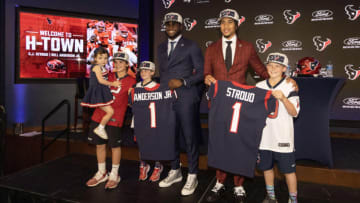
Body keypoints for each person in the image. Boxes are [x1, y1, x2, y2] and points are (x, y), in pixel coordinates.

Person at [204, 9, 269, 203]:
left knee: (238, 143)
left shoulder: (247, 48)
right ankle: (220, 180)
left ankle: (239, 184)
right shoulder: (211, 48)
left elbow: (262, 71)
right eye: (222, 22)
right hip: (217, 103)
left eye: (229, 22)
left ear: (236, 24)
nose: (225, 26)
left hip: (239, 104)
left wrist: (282, 81)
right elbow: (206, 73)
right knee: (220, 142)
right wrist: (207, 78)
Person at [157, 12, 204, 196]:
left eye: (174, 24)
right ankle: (175, 170)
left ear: (181, 26)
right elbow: (162, 74)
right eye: (167, 24)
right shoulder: (161, 47)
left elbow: (201, 72)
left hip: (186, 96)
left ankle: (192, 174)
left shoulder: (191, 46)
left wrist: (183, 81)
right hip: (166, 97)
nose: (170, 27)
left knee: (190, 137)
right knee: (170, 136)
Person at [86, 51, 136, 189]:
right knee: (99, 145)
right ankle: (102, 173)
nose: (118, 64)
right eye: (116, 61)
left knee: (115, 146)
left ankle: (114, 174)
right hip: (98, 114)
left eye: (121, 62)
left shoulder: (131, 81)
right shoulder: (106, 75)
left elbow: (133, 101)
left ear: (127, 64)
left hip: (115, 117)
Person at [256, 53, 300, 203]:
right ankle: (271, 196)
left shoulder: (289, 85)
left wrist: (283, 98)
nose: (273, 68)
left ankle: (293, 199)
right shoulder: (259, 86)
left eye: (277, 66)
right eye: (270, 65)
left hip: (282, 137)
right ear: (266, 66)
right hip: (264, 137)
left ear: (284, 69)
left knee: (288, 171)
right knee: (266, 168)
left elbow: (294, 112)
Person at [131, 61, 164, 182]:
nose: (143, 72)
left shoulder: (158, 87)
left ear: (152, 72)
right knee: (141, 144)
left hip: (153, 121)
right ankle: (143, 164)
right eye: (142, 70)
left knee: (155, 144)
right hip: (139, 121)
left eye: (146, 70)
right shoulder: (136, 87)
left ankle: (157, 166)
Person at [81, 47, 120, 140]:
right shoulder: (97, 67)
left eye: (105, 58)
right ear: (95, 58)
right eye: (100, 58)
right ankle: (100, 128)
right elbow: (101, 80)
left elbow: (106, 75)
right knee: (110, 111)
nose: (103, 60)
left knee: (109, 111)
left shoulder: (102, 67)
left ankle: (101, 127)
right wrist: (113, 83)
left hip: (102, 91)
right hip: (97, 93)